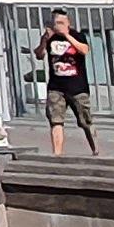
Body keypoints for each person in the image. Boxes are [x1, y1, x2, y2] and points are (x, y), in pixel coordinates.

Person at [38, 12, 98, 156]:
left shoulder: (77, 36)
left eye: (60, 23)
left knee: (85, 121)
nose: (57, 26)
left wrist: (67, 36)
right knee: (55, 120)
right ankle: (57, 154)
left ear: (68, 23)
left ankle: (95, 148)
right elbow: (39, 54)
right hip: (56, 87)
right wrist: (44, 41)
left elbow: (84, 50)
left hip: (77, 87)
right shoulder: (51, 39)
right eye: (55, 23)